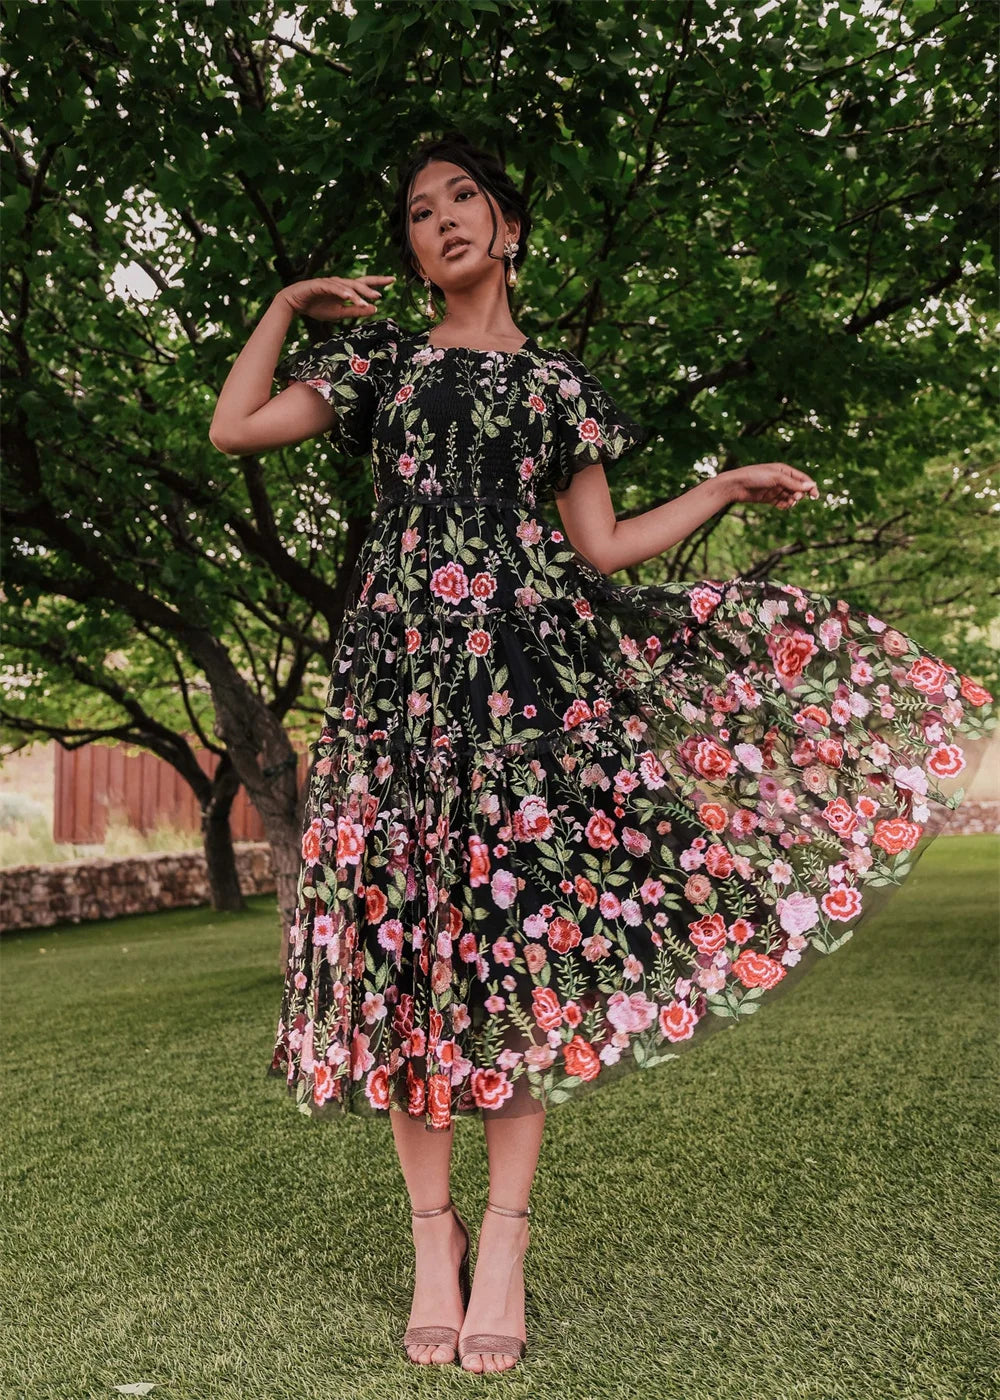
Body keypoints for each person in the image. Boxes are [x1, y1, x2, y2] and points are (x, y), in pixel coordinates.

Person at [208, 134, 996, 1373]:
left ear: (507, 226)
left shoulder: (562, 387)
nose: (442, 221)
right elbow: (234, 427)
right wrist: (285, 305)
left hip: (526, 698)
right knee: (408, 954)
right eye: (419, 212)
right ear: (410, 249)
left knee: (512, 959)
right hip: (392, 698)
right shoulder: (378, 359)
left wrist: (723, 487)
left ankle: (505, 1245)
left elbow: (605, 550)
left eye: (463, 198)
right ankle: (433, 1242)